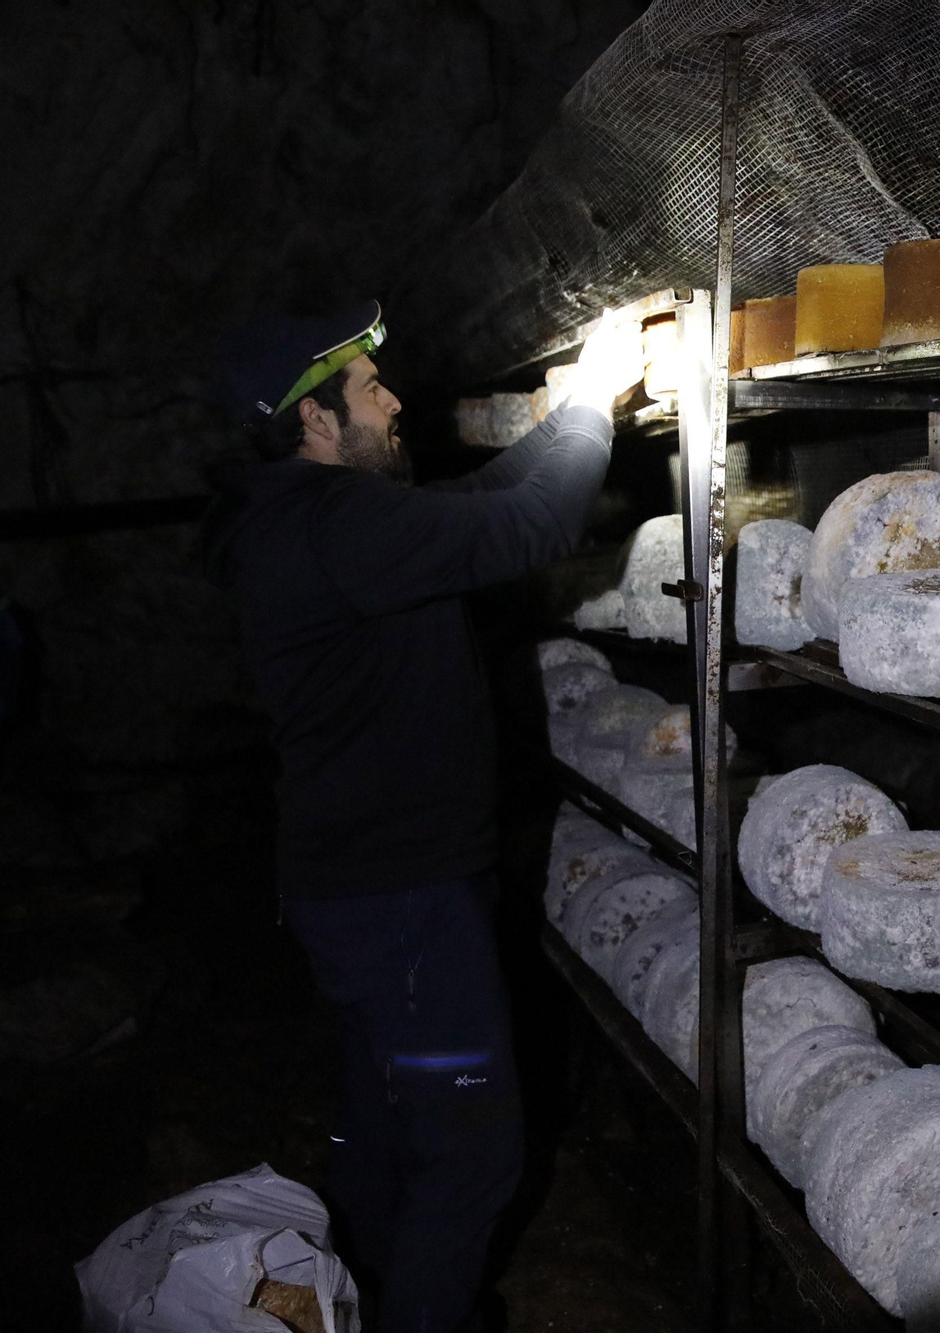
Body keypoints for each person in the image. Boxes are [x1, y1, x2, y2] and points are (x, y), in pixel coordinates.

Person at [204, 300, 644, 1332]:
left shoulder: (300, 515)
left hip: (357, 893)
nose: (394, 400)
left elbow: (481, 495)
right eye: (369, 389)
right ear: (316, 422)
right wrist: (592, 409)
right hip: (401, 909)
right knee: (472, 1158)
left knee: (384, 1128)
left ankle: (358, 1295)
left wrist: (568, 411)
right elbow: (531, 523)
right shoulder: (335, 525)